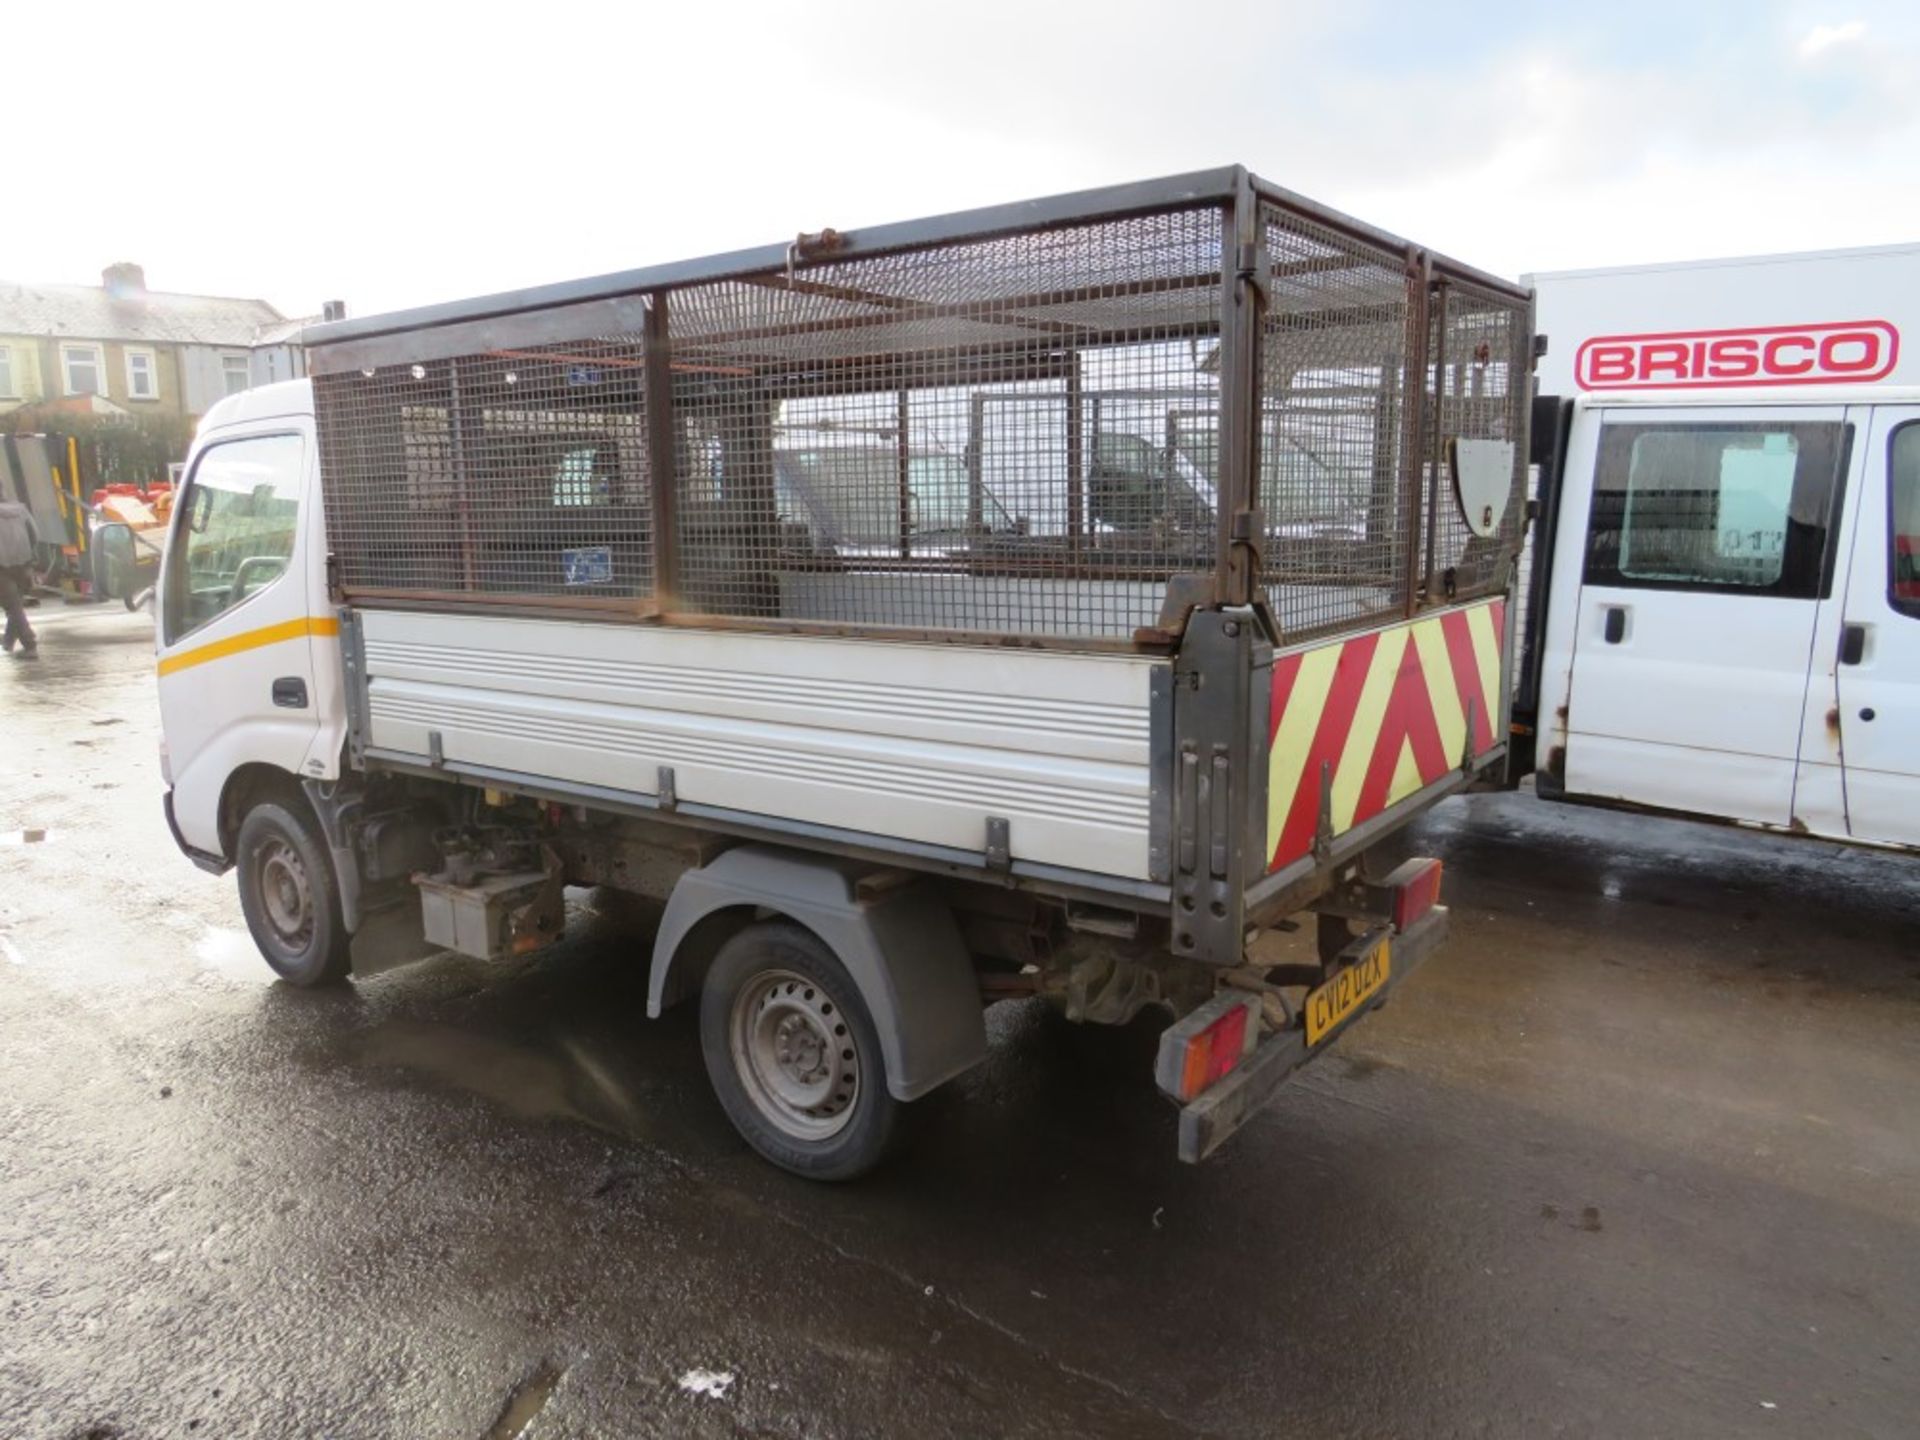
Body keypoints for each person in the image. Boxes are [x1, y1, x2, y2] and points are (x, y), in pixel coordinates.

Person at [0, 497, 41, 660]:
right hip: (24, 564)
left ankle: (30, 645)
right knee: (15, 604)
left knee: (13, 606)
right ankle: (8, 641)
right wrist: (31, 560)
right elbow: (35, 536)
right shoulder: (21, 509)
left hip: (2, 567)